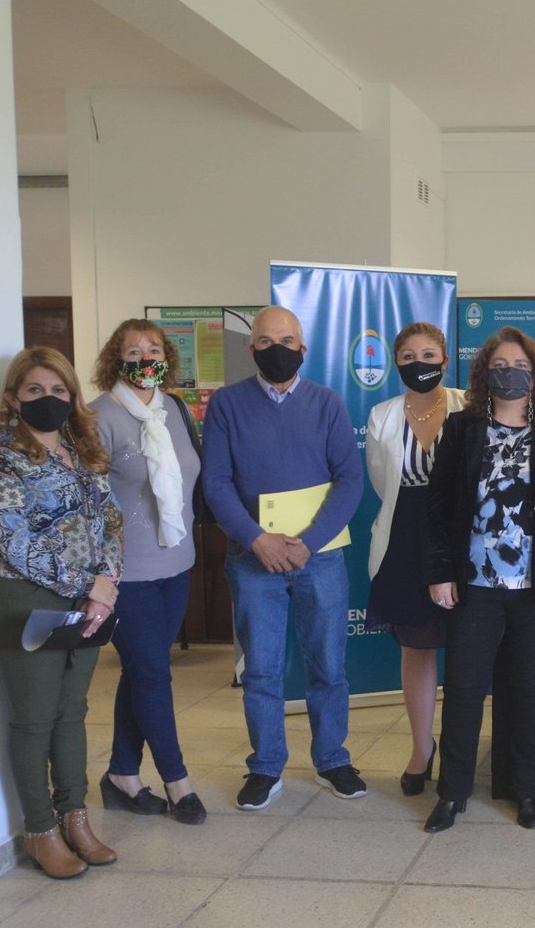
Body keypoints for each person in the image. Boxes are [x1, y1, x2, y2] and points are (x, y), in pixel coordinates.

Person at [420, 326, 535, 833]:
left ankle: (530, 790)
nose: (509, 373)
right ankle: (452, 793)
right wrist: (440, 572)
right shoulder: (462, 429)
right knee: (465, 690)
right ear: (483, 374)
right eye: (499, 366)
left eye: (519, 366)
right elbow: (438, 506)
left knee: (533, 690)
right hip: (474, 587)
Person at [202, 305, 366, 809]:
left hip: (319, 557)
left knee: (329, 666)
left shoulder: (328, 403)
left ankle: (332, 759)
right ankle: (266, 765)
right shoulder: (226, 404)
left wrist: (308, 541)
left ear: (303, 348)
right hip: (253, 559)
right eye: (267, 341)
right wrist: (257, 539)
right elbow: (216, 483)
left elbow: (349, 479)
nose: (278, 349)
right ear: (251, 348)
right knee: (261, 671)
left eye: (287, 341)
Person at [0, 348, 123, 878]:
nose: (48, 399)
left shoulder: (83, 450)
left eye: (59, 390)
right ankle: (40, 831)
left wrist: (105, 586)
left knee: (71, 711)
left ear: (73, 396)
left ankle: (75, 819)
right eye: (35, 390)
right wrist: (88, 584)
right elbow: (12, 541)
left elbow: (111, 522)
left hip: (88, 601)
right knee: (34, 718)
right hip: (22, 599)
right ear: (13, 398)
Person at [89, 320, 207, 825]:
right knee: (154, 673)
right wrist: (97, 577)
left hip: (177, 563)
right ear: (115, 360)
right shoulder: (98, 416)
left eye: (153, 349)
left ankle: (121, 775)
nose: (144, 358)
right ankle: (178, 781)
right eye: (132, 351)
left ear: (166, 358)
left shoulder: (173, 409)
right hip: (126, 573)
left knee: (143, 670)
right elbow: (88, 502)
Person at [365, 322, 465, 800]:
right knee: (417, 648)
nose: (418, 363)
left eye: (428, 355)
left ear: (445, 360)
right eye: (408, 356)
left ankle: (459, 751)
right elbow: (381, 482)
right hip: (404, 539)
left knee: (468, 648)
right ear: (396, 363)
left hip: (463, 538)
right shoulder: (381, 415)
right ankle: (421, 749)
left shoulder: (471, 405)